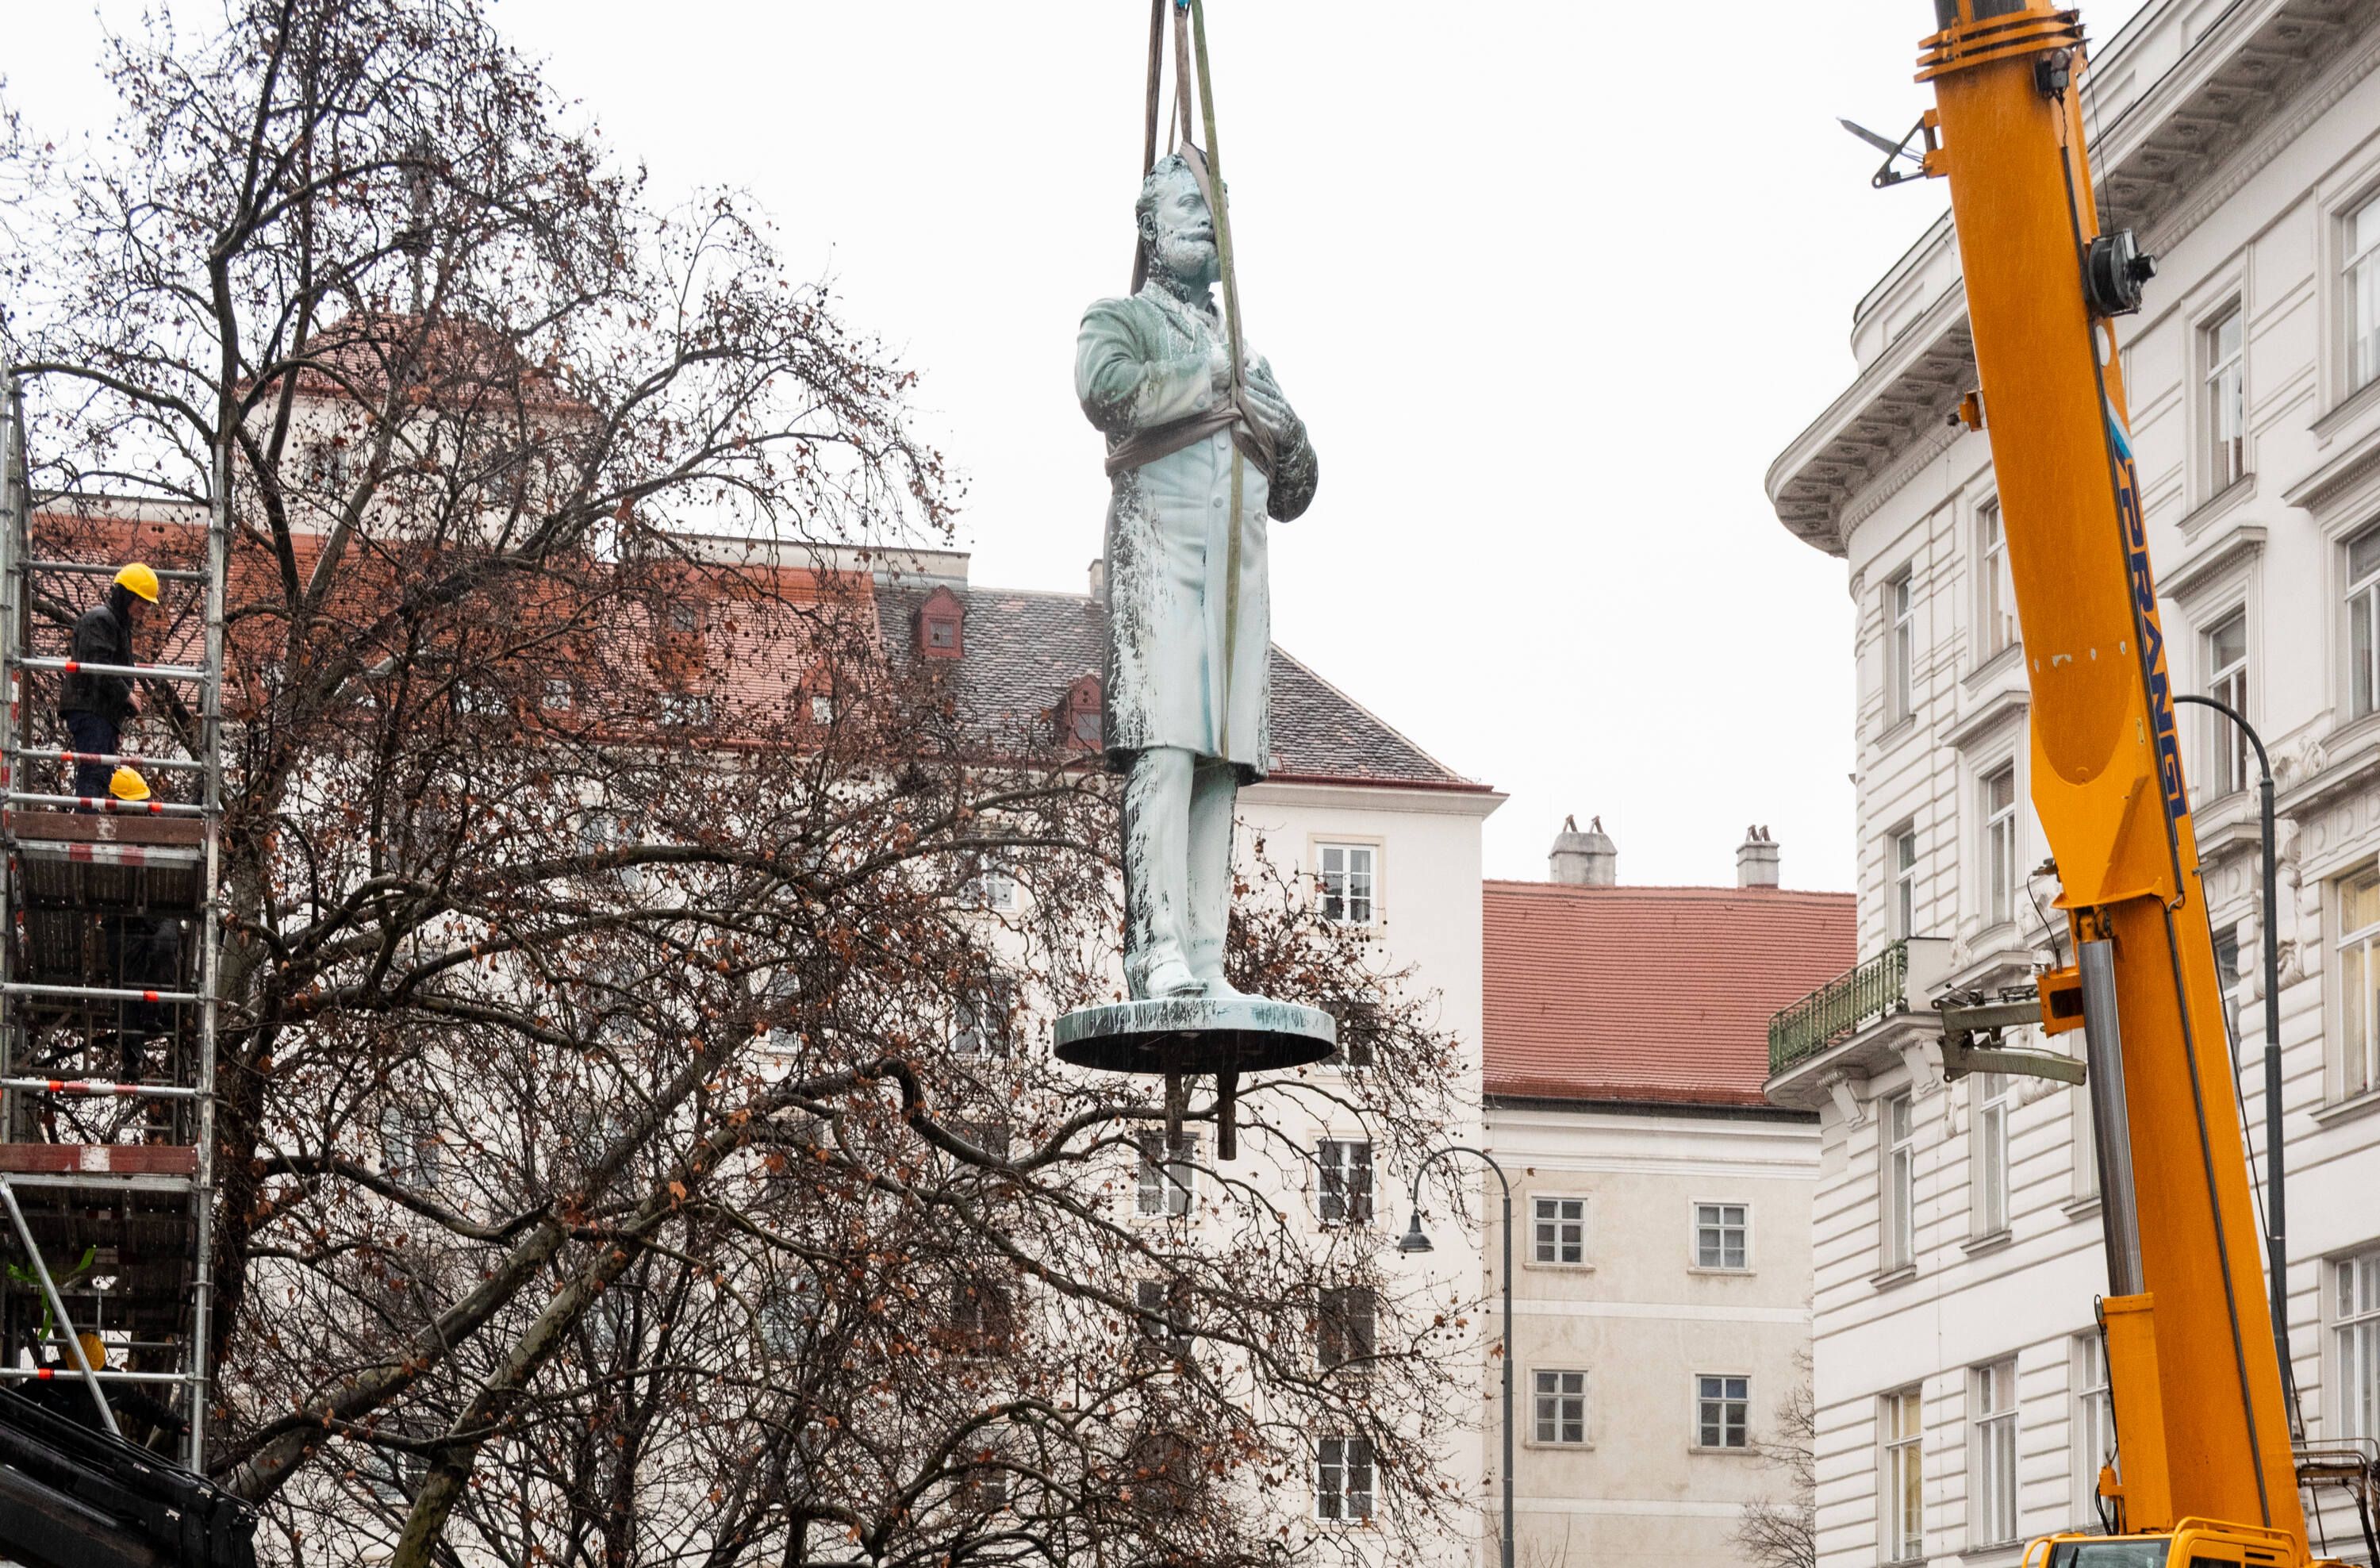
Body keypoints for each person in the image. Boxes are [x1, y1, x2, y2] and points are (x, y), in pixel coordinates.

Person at [1076, 152, 1319, 999]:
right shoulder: (1121, 319)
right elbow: (1104, 392)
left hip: (1237, 577)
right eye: (1188, 203)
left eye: (1216, 207)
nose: (1206, 219)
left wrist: (1286, 436)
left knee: (1221, 759)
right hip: (1162, 557)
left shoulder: (1251, 352)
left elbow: (1298, 491)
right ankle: (1158, 950)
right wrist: (1206, 378)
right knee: (1166, 747)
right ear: (1149, 227)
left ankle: (1208, 958)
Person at [59, 563, 157, 801]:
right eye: (141, 600)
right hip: (91, 711)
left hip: (99, 713)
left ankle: (88, 826)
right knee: (95, 773)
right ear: (126, 595)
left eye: (147, 602)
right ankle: (86, 828)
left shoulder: (114, 623)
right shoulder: (102, 620)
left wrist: (115, 723)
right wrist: (126, 695)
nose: (145, 607)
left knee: (100, 773)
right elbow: (98, 667)